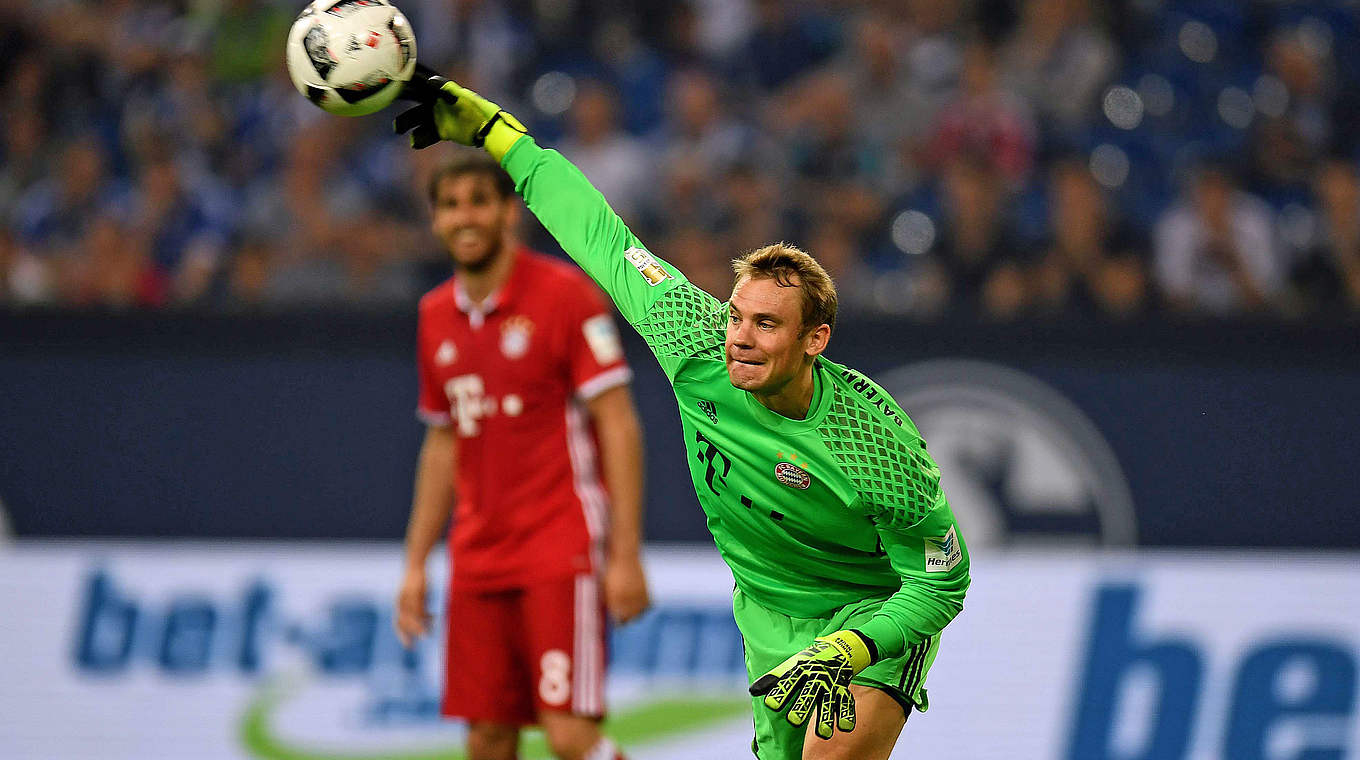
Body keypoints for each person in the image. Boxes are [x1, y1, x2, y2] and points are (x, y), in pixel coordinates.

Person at [394, 73, 970, 760]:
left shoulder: (872, 442)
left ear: (814, 340)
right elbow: (598, 234)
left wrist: (854, 644)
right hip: (769, 614)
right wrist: (499, 134)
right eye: (736, 316)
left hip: (872, 613)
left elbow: (944, 578)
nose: (740, 337)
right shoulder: (693, 340)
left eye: (766, 324)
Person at [393, 151, 650, 760]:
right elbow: (443, 441)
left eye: (479, 201)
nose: (465, 217)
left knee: (568, 734)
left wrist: (625, 555)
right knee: (485, 737)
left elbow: (617, 422)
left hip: (558, 545)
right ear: (434, 221)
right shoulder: (434, 315)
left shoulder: (565, 296)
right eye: (450, 205)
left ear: (510, 211)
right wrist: (414, 563)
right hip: (479, 555)